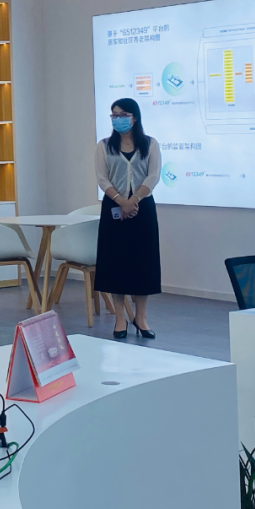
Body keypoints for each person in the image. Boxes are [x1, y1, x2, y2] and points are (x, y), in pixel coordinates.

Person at [94, 98, 162, 340]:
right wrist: (121, 201)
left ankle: (141, 318)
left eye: (123, 115)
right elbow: (102, 178)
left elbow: (153, 175)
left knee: (143, 263)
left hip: (143, 208)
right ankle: (120, 318)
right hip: (114, 208)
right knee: (117, 263)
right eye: (114, 115)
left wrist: (134, 200)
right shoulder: (104, 146)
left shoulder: (150, 144)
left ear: (134, 117)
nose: (118, 119)